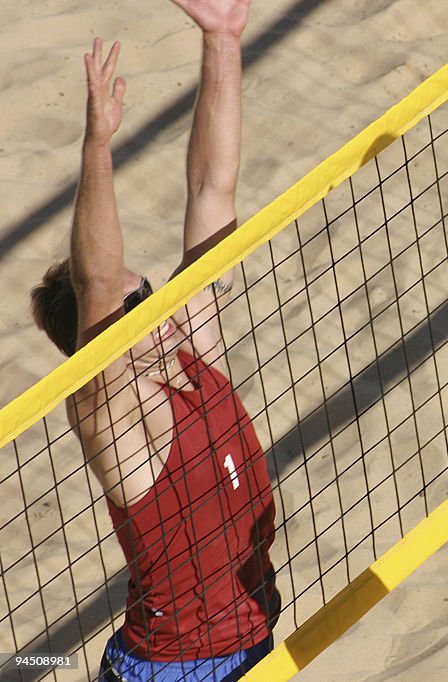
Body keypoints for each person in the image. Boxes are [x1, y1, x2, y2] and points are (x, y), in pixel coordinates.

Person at [29, 1, 278, 680]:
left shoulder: (189, 350)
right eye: (141, 302)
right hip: (173, 671)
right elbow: (101, 283)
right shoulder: (113, 413)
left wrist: (222, 43)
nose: (156, 304)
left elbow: (209, 189)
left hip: (250, 637)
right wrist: (96, 148)